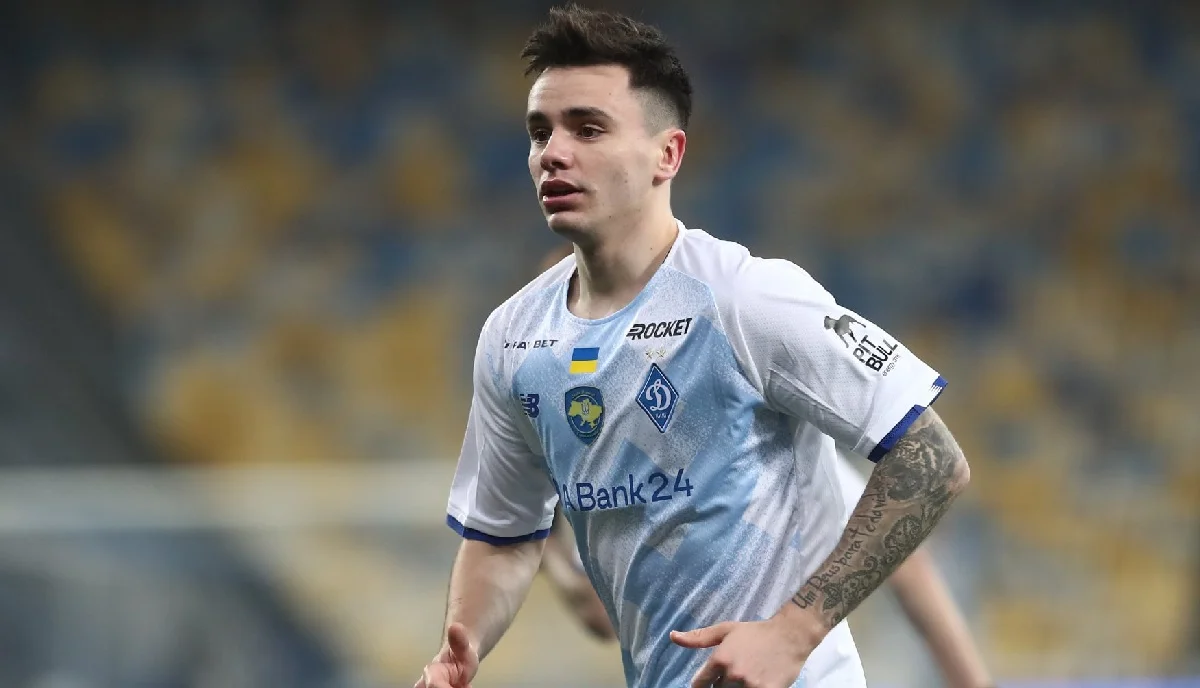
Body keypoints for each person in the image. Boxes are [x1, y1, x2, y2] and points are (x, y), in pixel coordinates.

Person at [418, 5, 972, 688]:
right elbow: (503, 539)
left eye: (588, 128)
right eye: (540, 131)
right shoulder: (514, 336)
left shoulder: (746, 298)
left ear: (668, 155)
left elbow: (931, 460)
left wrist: (794, 632)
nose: (552, 153)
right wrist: (464, 644)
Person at [532, 247, 995, 688]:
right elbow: (603, 617)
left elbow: (914, 557)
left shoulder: (758, 444)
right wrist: (547, 546)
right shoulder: (603, 470)